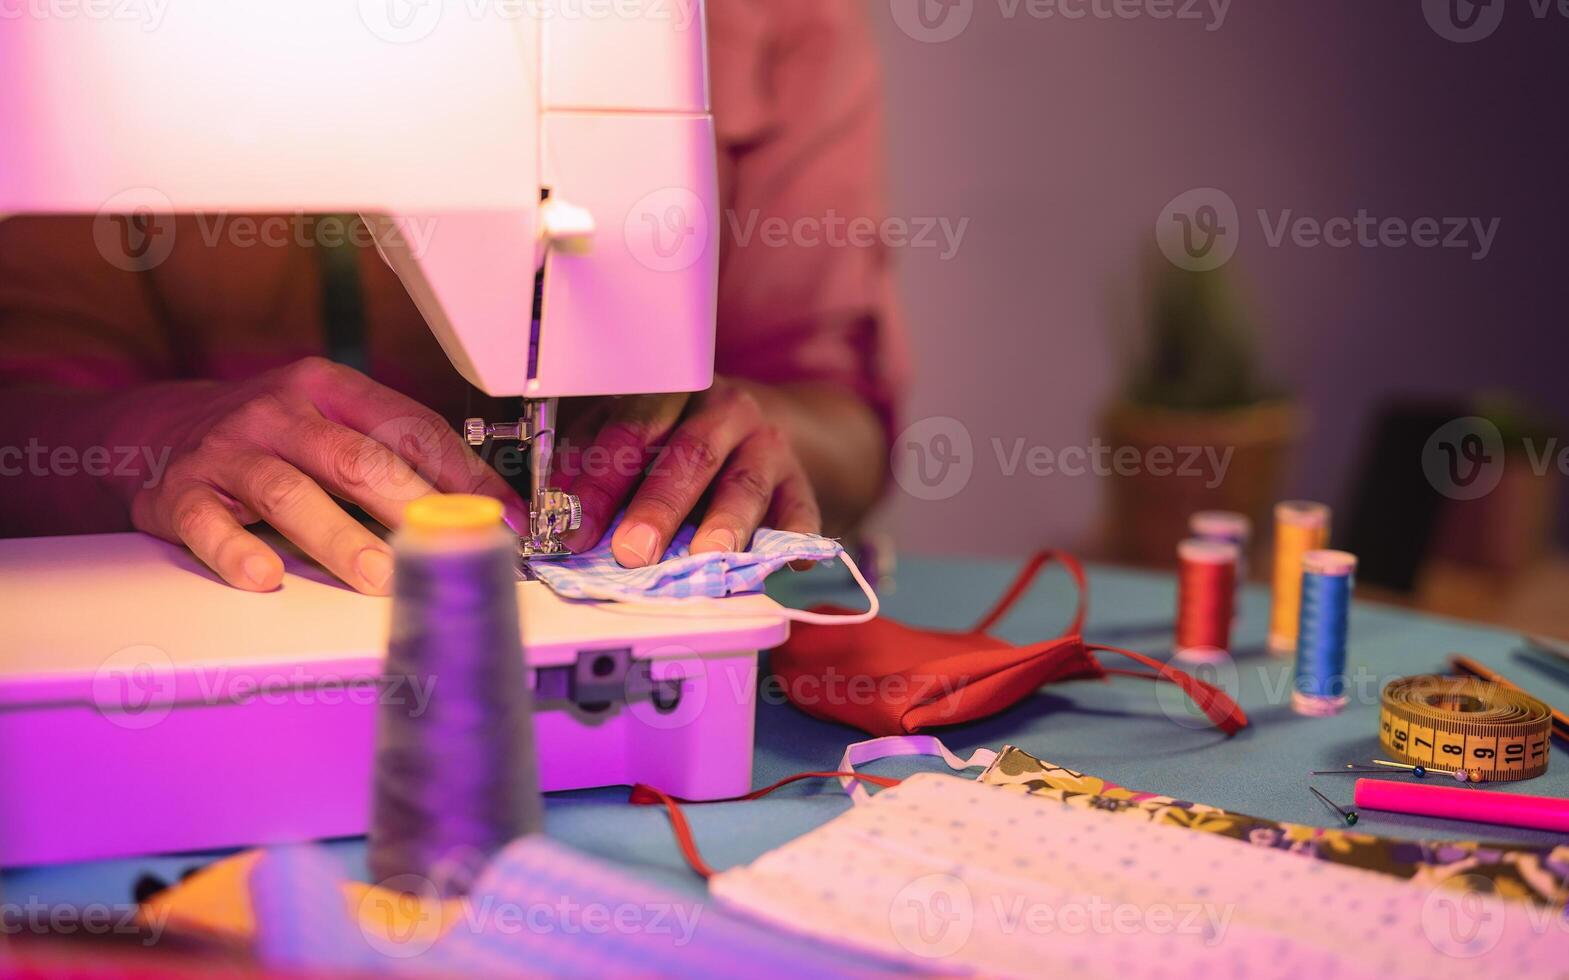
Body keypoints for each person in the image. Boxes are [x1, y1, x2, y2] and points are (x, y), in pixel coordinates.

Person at [0, 0, 904, 596]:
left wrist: (745, 438)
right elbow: (23, 412)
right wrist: (146, 442)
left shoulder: (779, 19)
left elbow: (847, 428)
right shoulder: (84, 31)